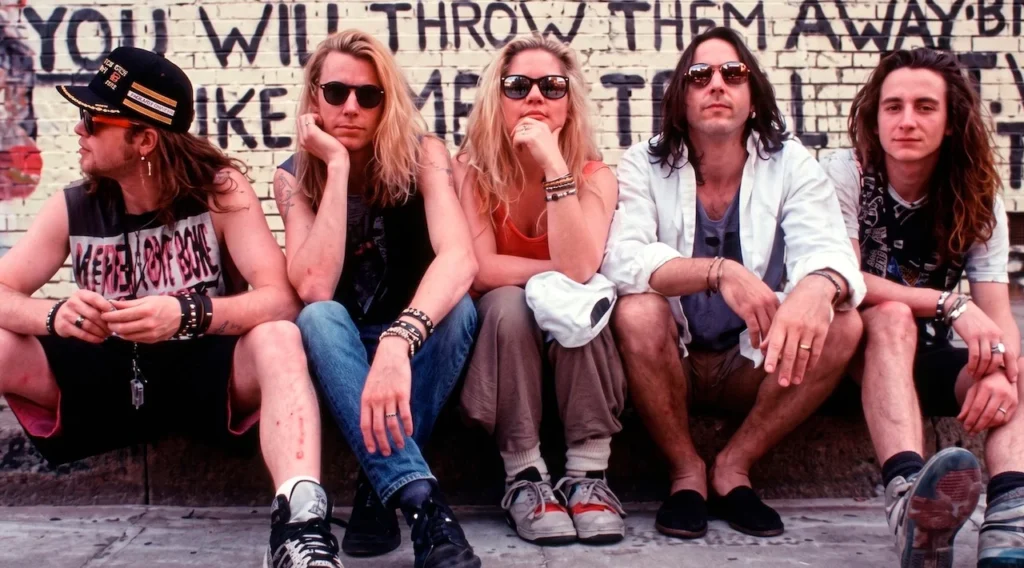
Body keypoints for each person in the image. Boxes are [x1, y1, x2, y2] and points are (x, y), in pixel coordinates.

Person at [0, 47, 343, 568]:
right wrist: (54, 316)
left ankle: (300, 528)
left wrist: (190, 313)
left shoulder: (219, 192)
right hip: (104, 376)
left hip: (198, 372)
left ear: (144, 139)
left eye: (94, 120)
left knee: (280, 337)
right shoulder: (74, 205)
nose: (80, 130)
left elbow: (281, 297)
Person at [602, 27, 865, 539]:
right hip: (668, 357)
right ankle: (686, 473)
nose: (717, 84)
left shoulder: (790, 163)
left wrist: (818, 287)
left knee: (845, 324)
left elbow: (828, 248)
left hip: (755, 357)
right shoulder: (644, 162)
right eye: (700, 75)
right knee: (636, 309)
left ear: (753, 97)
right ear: (681, 97)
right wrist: (720, 271)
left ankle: (732, 468)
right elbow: (623, 259)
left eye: (733, 74)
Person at [273, 30, 481, 568]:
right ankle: (422, 505)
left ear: (387, 104)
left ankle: (376, 485)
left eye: (369, 96)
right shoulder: (294, 176)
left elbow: (459, 258)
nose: (351, 107)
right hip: (341, 348)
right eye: (337, 91)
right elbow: (314, 285)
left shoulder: (423, 156)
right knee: (319, 316)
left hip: (410, 344)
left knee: (459, 311)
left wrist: (398, 339)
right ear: (314, 96)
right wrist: (336, 168)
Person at [822, 48, 1024, 568]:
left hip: (922, 357)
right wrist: (949, 305)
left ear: (952, 121)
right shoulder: (846, 173)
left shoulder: (978, 199)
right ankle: (910, 500)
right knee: (888, 318)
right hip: (847, 353)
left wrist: (1002, 369)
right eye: (893, 106)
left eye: (924, 107)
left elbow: (998, 315)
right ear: (875, 116)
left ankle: (1009, 520)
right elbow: (847, 281)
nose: (906, 121)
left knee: (1011, 373)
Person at [456, 34, 627, 545]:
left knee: (579, 305)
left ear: (569, 105)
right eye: (518, 86)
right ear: (497, 100)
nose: (536, 97)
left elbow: (579, 271)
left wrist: (555, 167)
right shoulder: (473, 172)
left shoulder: (595, 175)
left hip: (570, 340)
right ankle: (525, 477)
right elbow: (482, 270)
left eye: (553, 87)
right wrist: (554, 279)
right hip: (504, 333)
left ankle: (588, 475)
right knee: (510, 302)